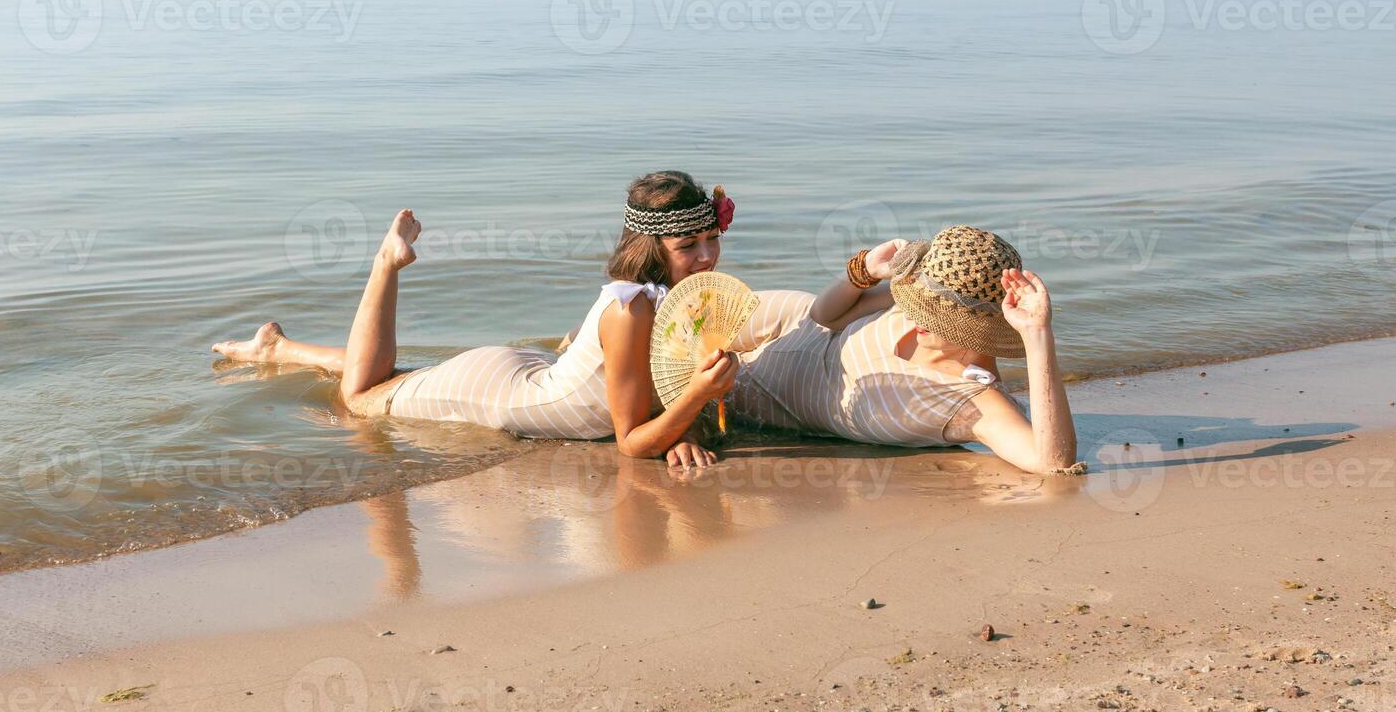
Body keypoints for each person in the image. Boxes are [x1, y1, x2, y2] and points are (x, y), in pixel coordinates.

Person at [212, 171, 738, 468]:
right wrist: (689, 409)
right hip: (497, 393)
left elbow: (651, 391)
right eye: (688, 245)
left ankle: (274, 350)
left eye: (711, 239)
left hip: (532, 374)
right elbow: (628, 443)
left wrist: (682, 427)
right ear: (651, 246)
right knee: (360, 400)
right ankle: (386, 263)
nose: (707, 256)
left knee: (393, 380)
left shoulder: (677, 294)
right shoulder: (632, 309)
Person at [726, 226, 1077, 474]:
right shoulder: (916, 296)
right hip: (788, 320)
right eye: (920, 302)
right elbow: (824, 317)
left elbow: (1053, 462)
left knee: (687, 393)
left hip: (777, 401)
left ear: (978, 327)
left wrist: (1037, 335)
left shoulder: (974, 402)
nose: (916, 313)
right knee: (679, 317)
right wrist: (862, 270)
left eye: (935, 313)